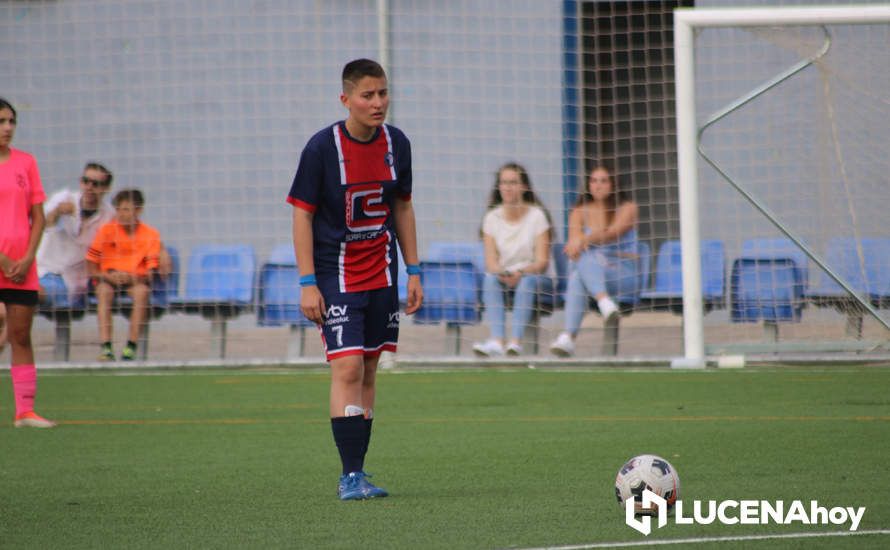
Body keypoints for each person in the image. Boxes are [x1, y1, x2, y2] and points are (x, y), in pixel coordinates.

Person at [288, 58, 423, 501]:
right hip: (334, 273)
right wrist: (308, 281)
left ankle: (359, 472)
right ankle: (349, 477)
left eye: (383, 93)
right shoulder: (321, 149)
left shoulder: (396, 143)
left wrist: (414, 270)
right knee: (345, 366)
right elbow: (302, 215)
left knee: (367, 368)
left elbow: (402, 206)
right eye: (368, 95)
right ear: (346, 99)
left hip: (382, 272)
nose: (378, 102)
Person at [0, 97, 55, 428]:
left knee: (21, 335)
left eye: (11, 122)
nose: (7, 128)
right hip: (5, 262)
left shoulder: (26, 163)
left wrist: (27, 258)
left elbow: (39, 216)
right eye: (1, 121)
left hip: (22, 266)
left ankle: (25, 412)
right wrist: (3, 259)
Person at [549, 165, 639, 357]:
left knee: (580, 267)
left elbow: (612, 233)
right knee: (579, 272)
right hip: (594, 277)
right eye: (593, 180)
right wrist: (579, 242)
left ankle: (569, 337)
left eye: (603, 180)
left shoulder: (628, 208)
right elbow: (573, 246)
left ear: (613, 184)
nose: (598, 185)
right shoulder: (579, 211)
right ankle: (604, 303)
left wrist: (584, 239)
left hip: (622, 273)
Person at [472, 162, 553, 357]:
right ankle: (497, 341)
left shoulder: (537, 216)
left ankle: (515, 343)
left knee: (527, 282)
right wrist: (503, 273)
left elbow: (542, 262)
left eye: (513, 182)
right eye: (504, 182)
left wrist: (521, 272)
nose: (508, 187)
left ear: (524, 186)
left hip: (535, 277)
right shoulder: (491, 218)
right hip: (504, 277)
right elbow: (491, 263)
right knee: (490, 279)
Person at [86, 188, 162, 361]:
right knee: (104, 292)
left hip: (134, 281)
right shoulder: (106, 231)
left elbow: (150, 274)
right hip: (108, 279)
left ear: (138, 210)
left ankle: (130, 347)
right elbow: (91, 267)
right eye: (119, 209)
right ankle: (106, 348)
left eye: (126, 210)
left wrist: (132, 278)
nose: (121, 214)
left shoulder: (150, 235)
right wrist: (107, 276)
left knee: (142, 293)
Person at [37, 162, 115, 304]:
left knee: (26, 294)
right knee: (16, 291)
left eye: (96, 184)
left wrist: (159, 250)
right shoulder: (63, 198)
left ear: (106, 188)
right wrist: (57, 213)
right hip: (44, 269)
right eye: (86, 181)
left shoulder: (109, 216)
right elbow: (41, 225)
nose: (89, 187)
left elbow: (131, 235)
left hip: (71, 280)